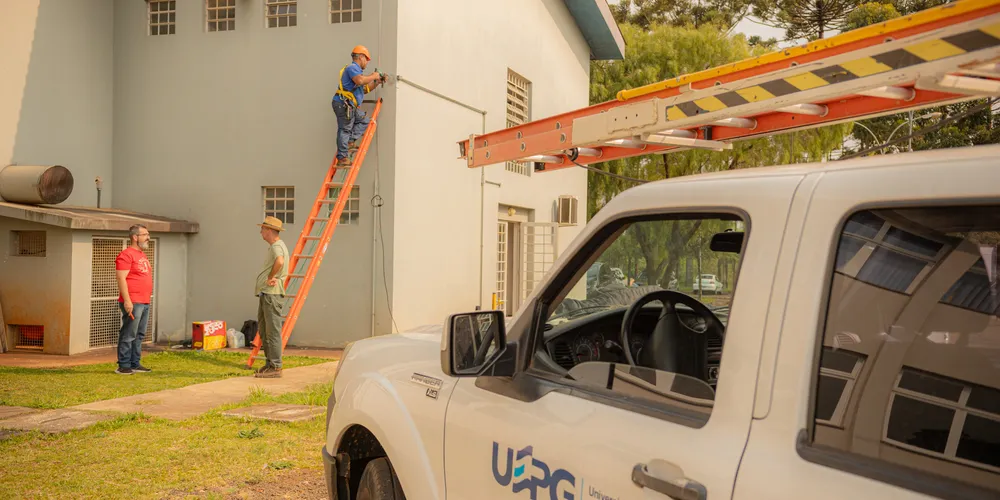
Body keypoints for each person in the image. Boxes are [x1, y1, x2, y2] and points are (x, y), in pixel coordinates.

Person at [332, 44, 386, 167]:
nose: (367, 63)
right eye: (366, 59)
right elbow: (360, 81)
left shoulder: (358, 73)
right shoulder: (352, 68)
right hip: (343, 104)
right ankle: (342, 158)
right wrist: (374, 75)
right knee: (345, 129)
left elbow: (365, 89)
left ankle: (350, 141)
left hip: (349, 106)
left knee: (365, 121)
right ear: (361, 57)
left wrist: (377, 81)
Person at [115, 224, 153, 375]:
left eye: (148, 234)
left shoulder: (142, 255)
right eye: (145, 235)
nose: (148, 237)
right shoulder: (126, 255)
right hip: (133, 301)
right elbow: (121, 278)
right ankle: (123, 365)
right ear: (135, 237)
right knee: (129, 333)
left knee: (139, 334)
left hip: (144, 301)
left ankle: (135, 363)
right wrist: (127, 300)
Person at [254, 216, 289, 378]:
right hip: (267, 293)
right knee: (264, 330)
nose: (261, 232)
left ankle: (275, 366)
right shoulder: (275, 246)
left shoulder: (277, 246)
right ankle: (270, 364)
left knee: (272, 331)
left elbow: (280, 262)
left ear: (269, 230)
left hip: (272, 294)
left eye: (263, 229)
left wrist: (270, 276)